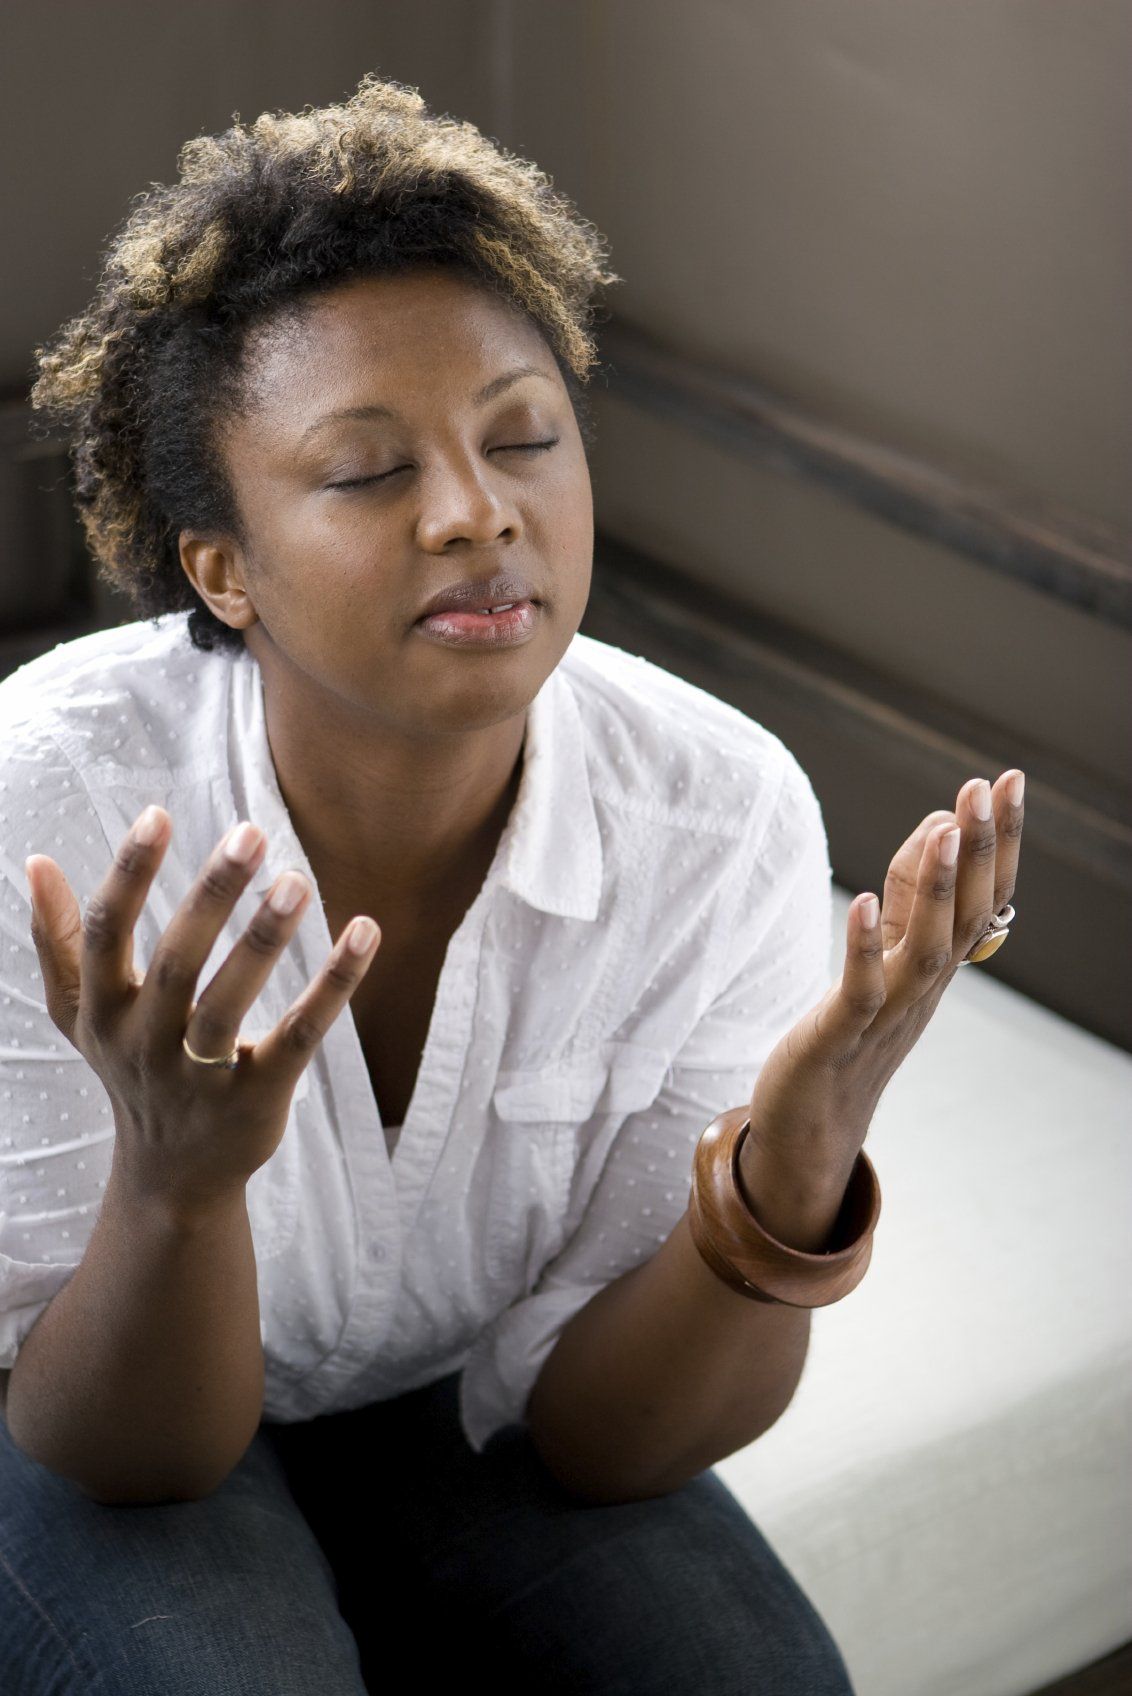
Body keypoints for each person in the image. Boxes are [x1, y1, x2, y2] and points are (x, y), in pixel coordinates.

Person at [0, 71, 1024, 1694]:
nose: (480, 514)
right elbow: (125, 1455)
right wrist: (178, 1182)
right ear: (222, 566)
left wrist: (797, 1159)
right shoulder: (54, 803)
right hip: (93, 1384)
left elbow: (607, 1445)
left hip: (450, 1386)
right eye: (367, 472)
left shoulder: (719, 815)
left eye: (524, 438)